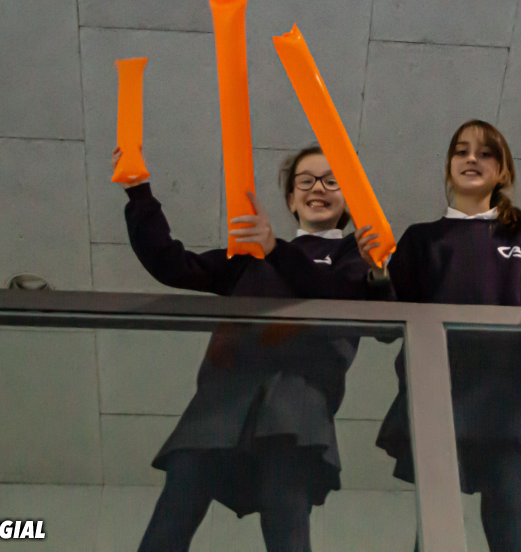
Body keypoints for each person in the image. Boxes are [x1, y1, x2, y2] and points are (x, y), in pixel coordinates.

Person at [117, 143, 389, 552]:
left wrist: (277, 251)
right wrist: (139, 193)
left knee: (286, 524)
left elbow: (341, 299)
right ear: (291, 200)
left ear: (348, 200)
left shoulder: (355, 255)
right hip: (222, 398)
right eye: (306, 181)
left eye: (332, 181)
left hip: (296, 403)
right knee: (172, 514)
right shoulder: (251, 257)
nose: (318, 188)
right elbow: (171, 264)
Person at [375, 120, 521, 552]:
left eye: (485, 152)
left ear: (503, 171)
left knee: (507, 510)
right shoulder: (422, 239)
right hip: (437, 392)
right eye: (461, 151)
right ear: (448, 166)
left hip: (507, 394)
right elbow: (388, 320)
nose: (471, 159)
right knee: (436, 520)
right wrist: (376, 276)